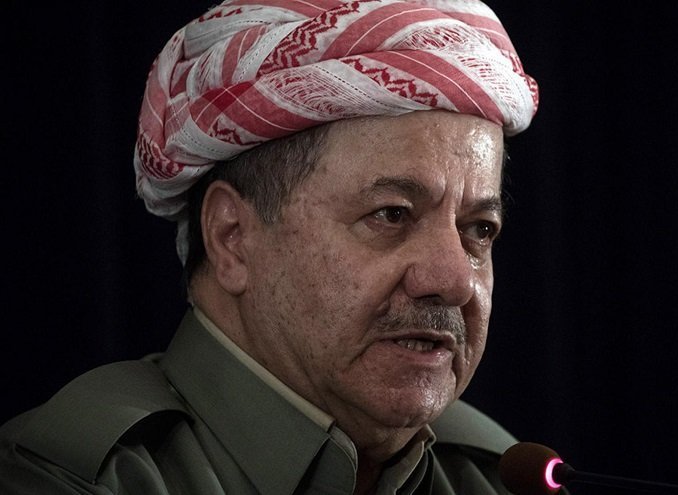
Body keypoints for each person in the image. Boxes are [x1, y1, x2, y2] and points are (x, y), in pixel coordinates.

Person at [0, 0, 540, 493]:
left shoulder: (497, 479)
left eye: (479, 229)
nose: (454, 280)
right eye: (392, 215)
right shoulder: (67, 479)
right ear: (231, 237)